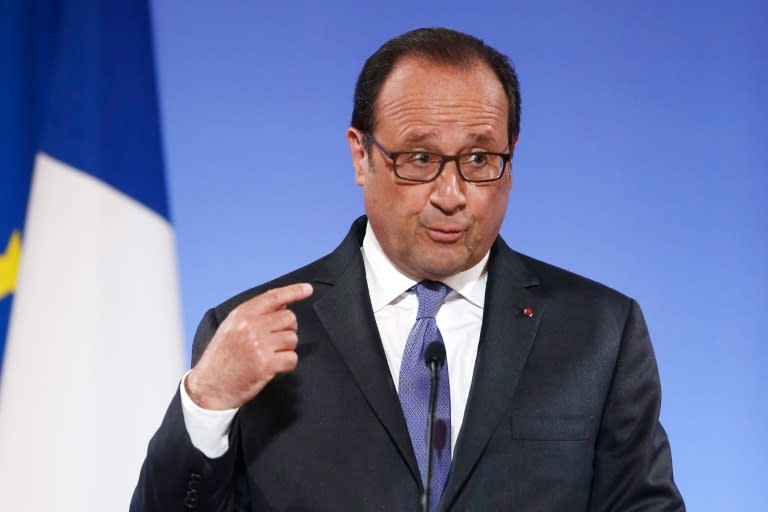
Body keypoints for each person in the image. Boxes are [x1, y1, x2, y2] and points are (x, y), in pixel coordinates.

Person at [131, 28, 685, 511]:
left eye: (479, 159)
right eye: (419, 159)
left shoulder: (598, 333)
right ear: (360, 156)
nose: (452, 195)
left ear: (510, 160)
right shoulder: (254, 332)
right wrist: (206, 403)